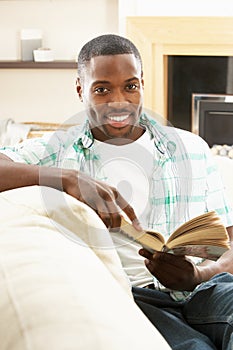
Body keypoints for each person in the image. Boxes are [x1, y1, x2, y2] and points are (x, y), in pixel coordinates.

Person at [0, 34, 233, 349]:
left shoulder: (191, 147)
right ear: (81, 90)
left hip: (206, 287)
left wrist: (198, 276)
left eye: (131, 86)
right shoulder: (55, 151)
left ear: (142, 85)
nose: (119, 100)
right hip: (132, 296)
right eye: (102, 89)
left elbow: (228, 243)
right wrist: (66, 178)